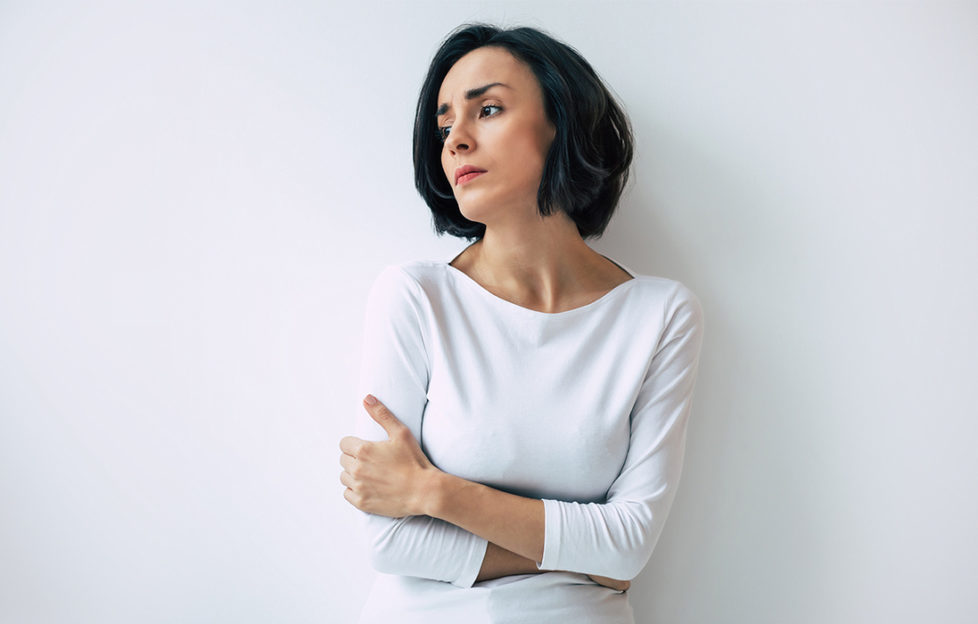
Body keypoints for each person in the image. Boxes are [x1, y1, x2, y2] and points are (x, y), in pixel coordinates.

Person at [339, 22, 705, 623]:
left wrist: (437, 494)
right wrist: (583, 548)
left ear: (561, 122)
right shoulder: (415, 298)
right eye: (444, 125)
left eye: (487, 109)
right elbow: (389, 541)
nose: (456, 139)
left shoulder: (660, 316)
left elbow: (632, 545)